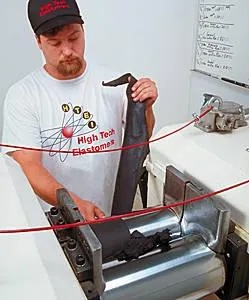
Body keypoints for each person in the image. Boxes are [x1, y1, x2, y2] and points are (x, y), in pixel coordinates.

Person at [1, 0, 158, 221]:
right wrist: (72, 204)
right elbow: (28, 165)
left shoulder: (113, 81)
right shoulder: (23, 95)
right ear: (38, 41)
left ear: (83, 30)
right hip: (56, 221)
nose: (67, 51)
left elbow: (142, 137)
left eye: (74, 38)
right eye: (55, 43)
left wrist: (146, 108)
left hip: (112, 213)